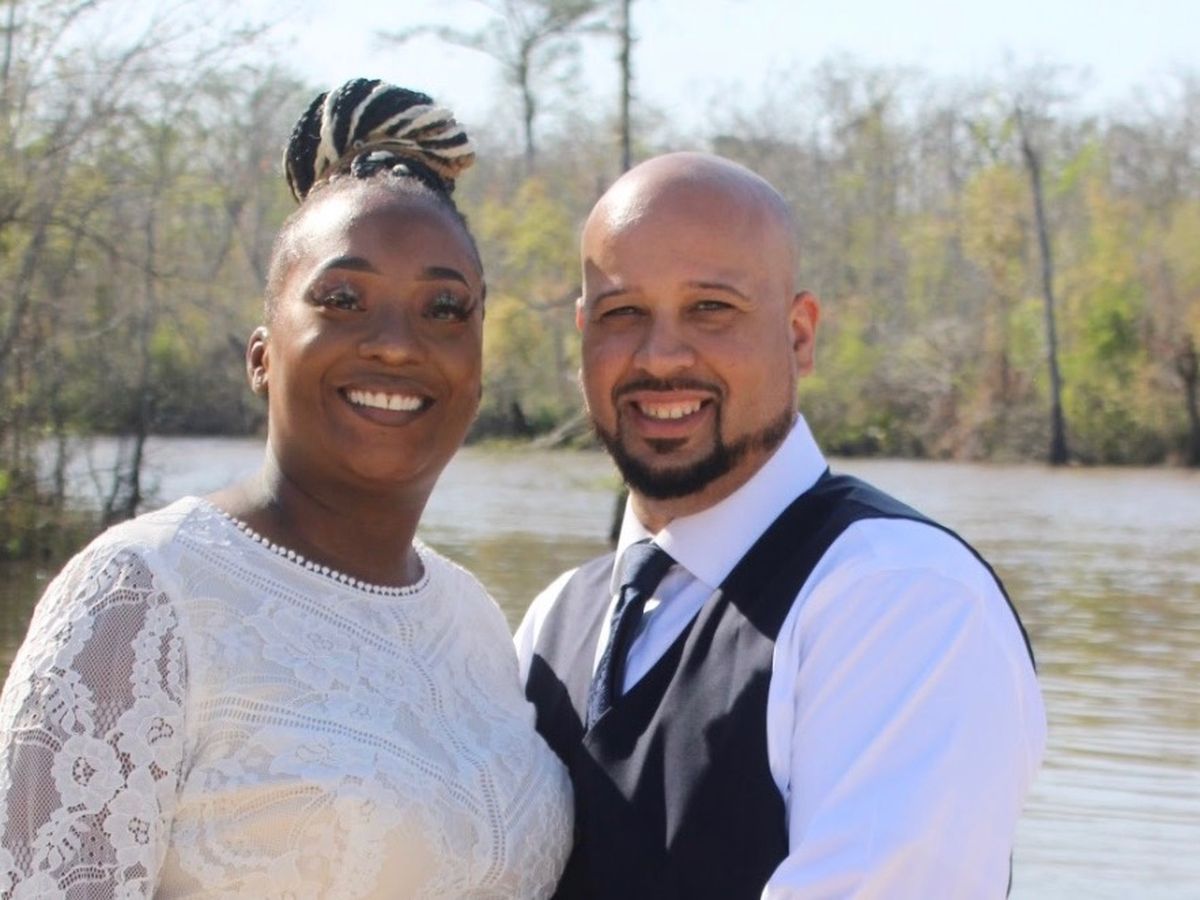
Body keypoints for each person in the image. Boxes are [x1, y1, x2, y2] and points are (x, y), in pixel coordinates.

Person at [0, 79, 571, 898]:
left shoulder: (473, 619)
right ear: (262, 356)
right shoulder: (144, 596)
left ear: (478, 365)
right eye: (343, 299)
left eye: (445, 309)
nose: (397, 344)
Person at [516, 152, 1045, 899]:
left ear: (798, 334)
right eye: (622, 313)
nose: (660, 356)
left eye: (711, 308)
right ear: (583, 335)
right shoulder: (554, 620)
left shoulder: (901, 598)